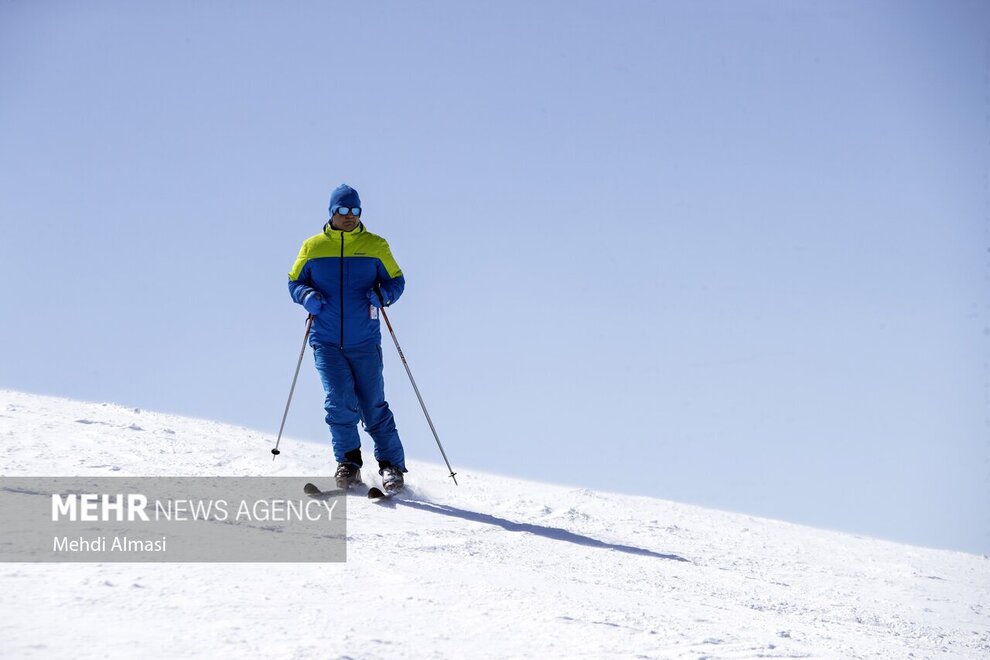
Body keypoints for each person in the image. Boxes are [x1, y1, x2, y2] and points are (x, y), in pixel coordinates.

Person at [287, 183, 407, 491]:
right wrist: (306, 295)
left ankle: (391, 467)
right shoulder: (312, 247)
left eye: (355, 211)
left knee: (372, 404)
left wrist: (384, 295)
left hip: (364, 340)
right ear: (331, 213)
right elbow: (294, 282)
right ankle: (349, 464)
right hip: (325, 340)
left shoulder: (376, 245)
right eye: (343, 211)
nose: (350, 216)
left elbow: (397, 280)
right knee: (339, 402)